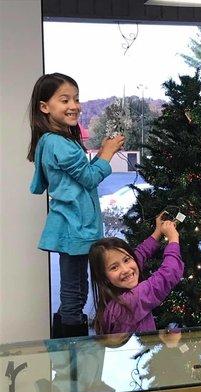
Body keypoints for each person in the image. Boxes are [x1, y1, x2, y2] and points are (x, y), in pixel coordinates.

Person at [27, 72, 125, 338]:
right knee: (74, 293)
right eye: (65, 99)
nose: (74, 106)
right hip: (75, 225)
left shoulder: (53, 141)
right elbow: (90, 178)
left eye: (76, 99)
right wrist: (108, 152)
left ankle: (67, 354)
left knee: (75, 289)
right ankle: (72, 354)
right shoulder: (60, 143)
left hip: (72, 225)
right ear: (45, 107)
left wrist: (101, 153)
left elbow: (81, 179)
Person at [89, 213, 184, 334]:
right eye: (114, 267)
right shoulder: (127, 303)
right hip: (139, 352)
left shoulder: (113, 294)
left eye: (126, 260)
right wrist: (173, 239)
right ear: (103, 277)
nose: (126, 269)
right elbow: (168, 274)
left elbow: (138, 254)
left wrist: (157, 232)